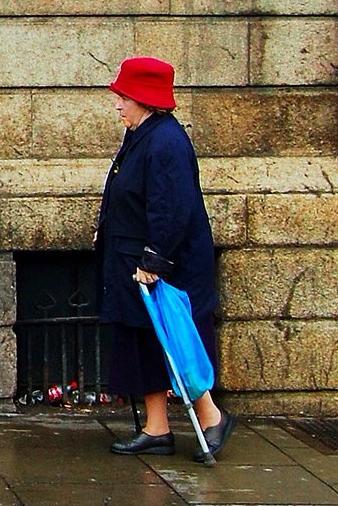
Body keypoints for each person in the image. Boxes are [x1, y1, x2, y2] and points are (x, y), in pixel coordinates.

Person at [95, 55, 234, 461]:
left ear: (143, 99)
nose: (117, 105)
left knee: (174, 342)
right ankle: (157, 428)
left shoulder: (167, 141)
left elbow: (172, 208)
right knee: (143, 343)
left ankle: (211, 418)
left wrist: (153, 261)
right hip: (131, 261)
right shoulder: (141, 135)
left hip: (161, 269)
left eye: (123, 97)